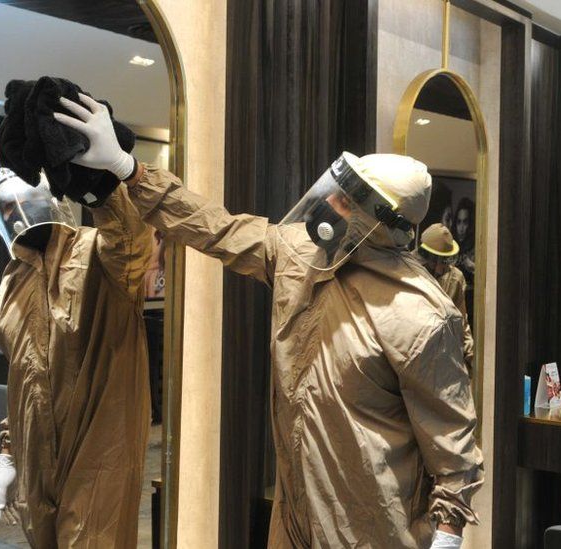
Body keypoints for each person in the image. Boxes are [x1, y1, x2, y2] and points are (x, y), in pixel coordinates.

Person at [54, 93, 483, 548]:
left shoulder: (420, 315)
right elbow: (215, 226)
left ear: (381, 220)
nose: (334, 203)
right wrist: (128, 169)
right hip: (296, 504)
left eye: (350, 198)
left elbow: (452, 437)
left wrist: (448, 535)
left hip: (372, 523)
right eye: (341, 189)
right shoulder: (300, 256)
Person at [0, 166, 153, 547]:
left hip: (99, 445)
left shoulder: (100, 254)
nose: (20, 212)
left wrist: (102, 187)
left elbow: (132, 242)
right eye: (7, 207)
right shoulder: (10, 290)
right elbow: (22, 381)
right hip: (36, 456)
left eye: (26, 199)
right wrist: (8, 453)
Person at [417, 223, 475, 370]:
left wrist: (470, 357)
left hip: (443, 358)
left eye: (444, 261)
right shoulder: (408, 271)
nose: (439, 268)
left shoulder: (455, 278)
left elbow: (461, 321)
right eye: (434, 261)